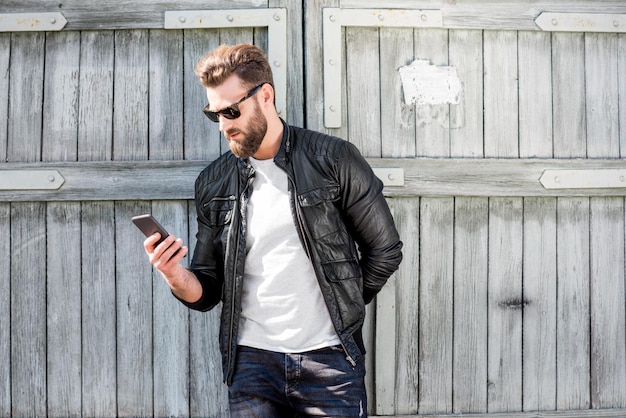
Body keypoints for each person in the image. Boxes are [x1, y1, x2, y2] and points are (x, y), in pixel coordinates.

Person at [142, 43, 403, 417]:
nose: (224, 125)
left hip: (330, 365)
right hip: (252, 367)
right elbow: (207, 290)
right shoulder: (214, 183)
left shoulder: (333, 160)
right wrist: (172, 273)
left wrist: (343, 302)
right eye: (214, 114)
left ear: (265, 95)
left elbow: (385, 250)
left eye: (231, 111)